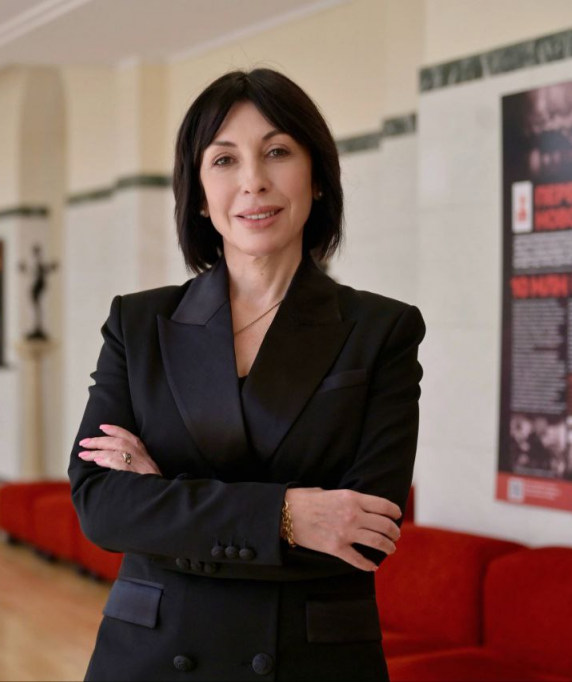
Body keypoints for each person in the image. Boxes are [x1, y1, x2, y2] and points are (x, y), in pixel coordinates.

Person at [68, 68, 426, 681]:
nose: (253, 181)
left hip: (308, 661)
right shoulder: (139, 323)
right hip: (153, 656)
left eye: (277, 152)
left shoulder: (382, 330)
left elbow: (364, 534)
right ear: (199, 195)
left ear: (318, 178)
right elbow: (102, 508)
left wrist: (164, 500)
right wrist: (287, 516)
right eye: (224, 159)